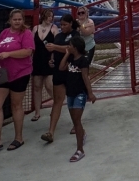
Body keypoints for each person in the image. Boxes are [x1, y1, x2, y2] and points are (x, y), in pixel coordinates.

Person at [0, 9, 34, 155]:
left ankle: (19, 137)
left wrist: (9, 54)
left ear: (23, 20)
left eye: (20, 19)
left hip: (19, 72)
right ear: (10, 20)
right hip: (3, 72)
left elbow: (28, 51)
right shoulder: (4, 33)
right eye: (15, 19)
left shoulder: (26, 33)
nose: (17, 21)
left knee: (16, 104)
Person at [41, 13, 75, 143]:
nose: (63, 27)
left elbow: (71, 49)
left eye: (65, 24)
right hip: (58, 71)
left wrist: (55, 47)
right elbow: (55, 52)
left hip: (71, 70)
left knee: (72, 99)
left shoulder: (75, 35)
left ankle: (76, 125)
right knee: (57, 101)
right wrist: (51, 59)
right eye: (61, 25)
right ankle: (51, 131)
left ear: (71, 23)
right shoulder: (59, 36)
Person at [61, 36, 96, 162]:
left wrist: (90, 93)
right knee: (75, 121)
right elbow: (61, 67)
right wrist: (66, 55)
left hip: (79, 93)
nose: (68, 47)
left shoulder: (83, 61)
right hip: (70, 93)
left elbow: (85, 77)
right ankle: (82, 134)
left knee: (76, 121)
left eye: (69, 45)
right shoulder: (71, 58)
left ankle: (80, 149)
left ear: (75, 47)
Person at [29, 8, 59, 121]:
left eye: (51, 16)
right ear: (43, 17)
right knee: (37, 86)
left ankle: (57, 104)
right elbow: (32, 45)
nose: (50, 18)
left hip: (49, 59)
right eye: (48, 16)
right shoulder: (35, 28)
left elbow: (57, 44)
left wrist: (53, 58)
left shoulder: (54, 28)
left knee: (49, 85)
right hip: (37, 59)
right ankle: (37, 112)